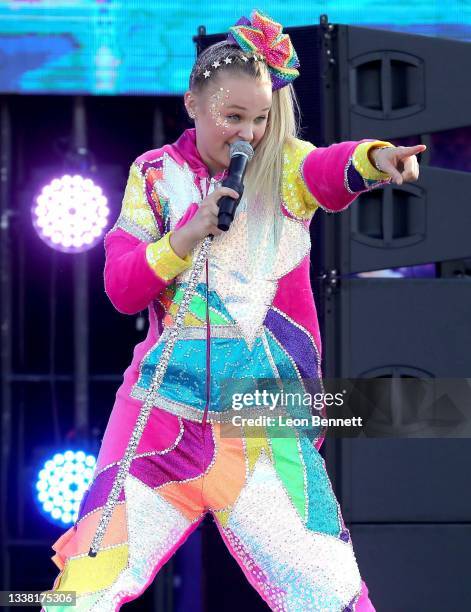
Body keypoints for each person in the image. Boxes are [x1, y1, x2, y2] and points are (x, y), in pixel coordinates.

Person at [43, 10, 425, 612]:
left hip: (261, 425)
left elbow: (332, 167)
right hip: (161, 419)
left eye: (261, 118)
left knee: (330, 596)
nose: (248, 134)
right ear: (193, 103)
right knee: (82, 593)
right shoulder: (153, 177)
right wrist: (188, 234)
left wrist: (376, 161)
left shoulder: (285, 169)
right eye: (233, 117)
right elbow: (121, 288)